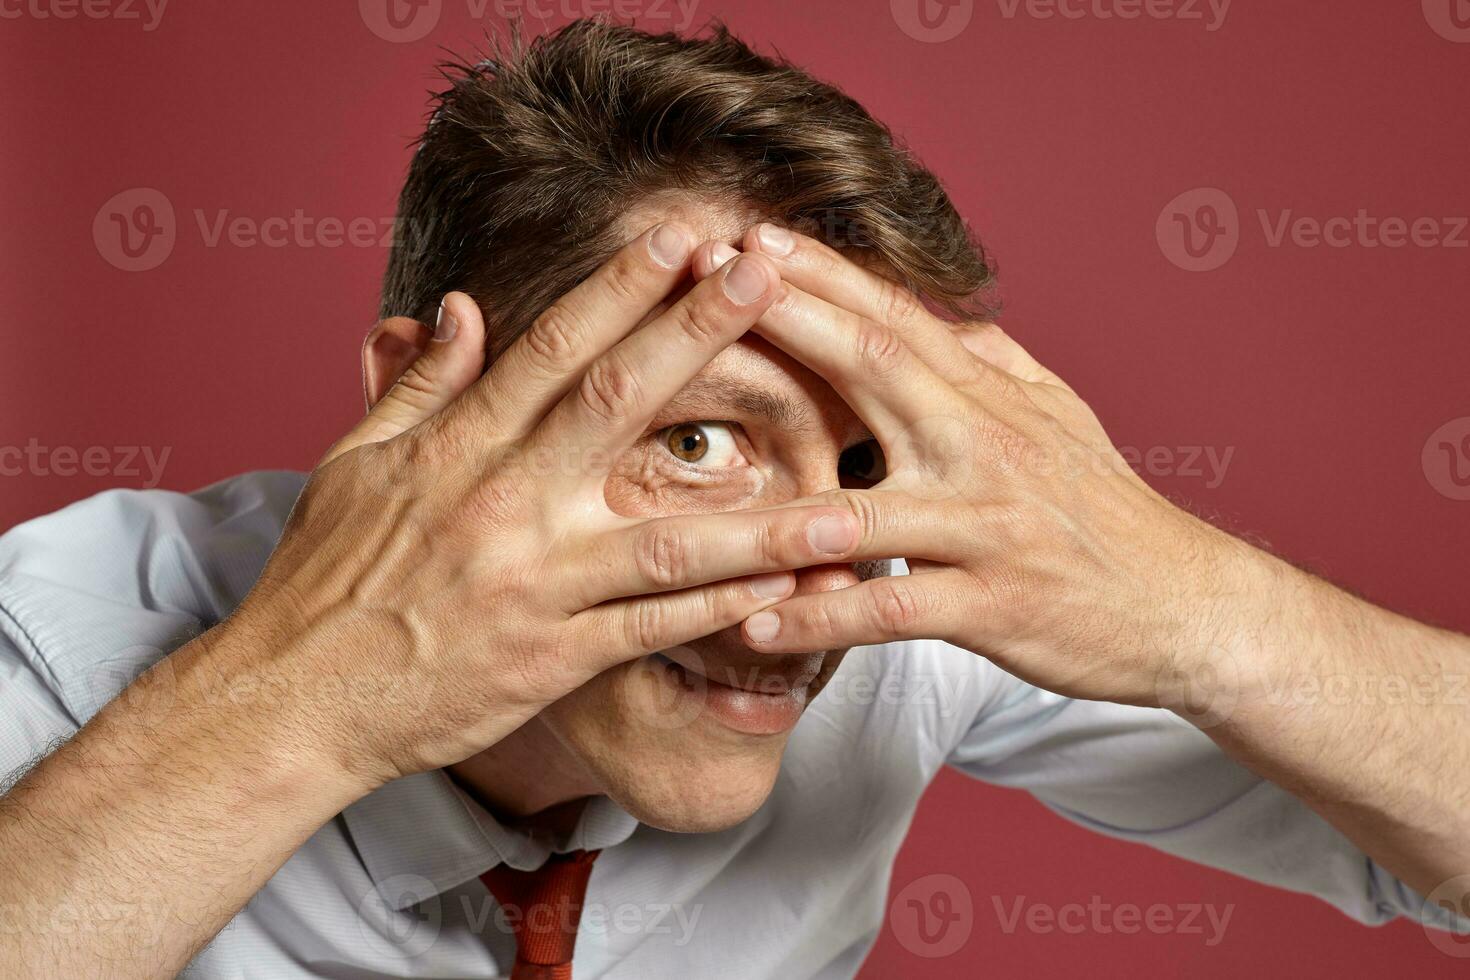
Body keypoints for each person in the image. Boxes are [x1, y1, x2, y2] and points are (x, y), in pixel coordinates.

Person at [1, 19, 1465, 979]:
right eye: (698, 442)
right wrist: (303, 701)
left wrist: (1199, 606)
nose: (790, 608)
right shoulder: (60, 639)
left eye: (863, 451)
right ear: (415, 403)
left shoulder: (893, 598)